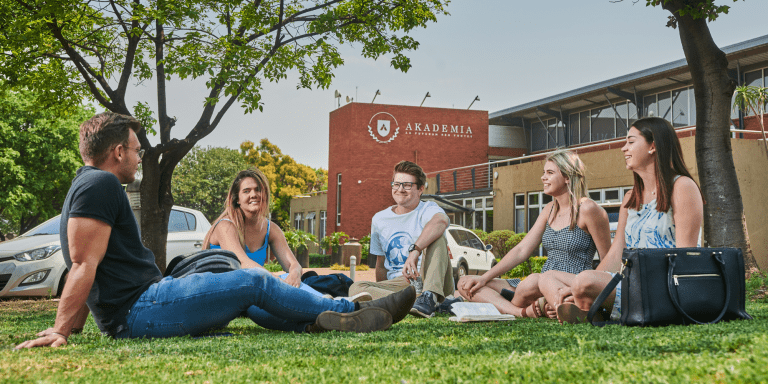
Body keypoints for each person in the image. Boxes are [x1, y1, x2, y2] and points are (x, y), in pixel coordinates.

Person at [15, 112, 416, 349]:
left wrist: (81, 324)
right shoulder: (101, 184)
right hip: (143, 308)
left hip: (142, 306)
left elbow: (94, 263)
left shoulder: (86, 185)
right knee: (251, 282)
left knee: (243, 295)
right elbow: (84, 263)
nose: (138, 158)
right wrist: (61, 329)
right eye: (136, 150)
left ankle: (315, 321)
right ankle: (355, 310)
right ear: (118, 151)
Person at [543, 117, 704, 323]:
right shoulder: (630, 198)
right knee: (549, 277)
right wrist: (580, 286)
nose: (623, 148)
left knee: (583, 282)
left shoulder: (682, 187)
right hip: (629, 283)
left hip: (662, 288)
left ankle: (582, 307)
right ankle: (581, 305)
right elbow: (615, 255)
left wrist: (583, 285)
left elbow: (685, 256)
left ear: (652, 146)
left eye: (630, 141)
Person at [457, 149, 611, 318]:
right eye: (544, 172)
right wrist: (484, 278)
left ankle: (516, 303)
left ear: (568, 177)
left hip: (568, 284)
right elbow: (521, 250)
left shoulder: (588, 209)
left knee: (529, 283)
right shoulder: (549, 209)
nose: (543, 178)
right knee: (465, 283)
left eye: (550, 173)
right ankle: (523, 310)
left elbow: (608, 261)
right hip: (539, 281)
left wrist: (585, 292)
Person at [348, 160, 454, 318]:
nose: (400, 189)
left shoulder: (428, 209)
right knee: (356, 288)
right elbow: (381, 264)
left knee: (437, 237)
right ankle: (420, 302)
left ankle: (430, 296)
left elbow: (441, 221)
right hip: (401, 284)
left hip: (430, 278)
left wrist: (415, 251)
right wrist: (381, 287)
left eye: (407, 185)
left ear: (420, 189)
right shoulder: (379, 219)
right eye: (396, 184)